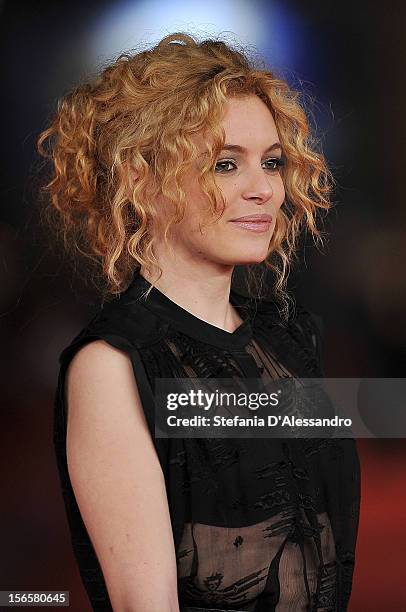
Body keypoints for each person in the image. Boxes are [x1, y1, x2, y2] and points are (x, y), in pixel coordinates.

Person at [37, 32, 361, 612]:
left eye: (271, 162)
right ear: (141, 181)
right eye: (225, 163)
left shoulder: (289, 338)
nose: (263, 189)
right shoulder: (114, 365)